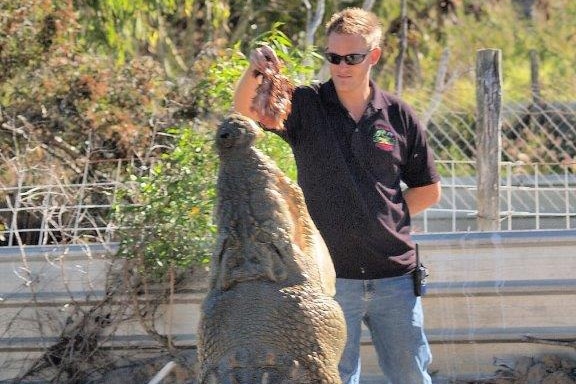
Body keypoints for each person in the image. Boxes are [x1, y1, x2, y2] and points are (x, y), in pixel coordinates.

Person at [233, 7, 441, 384]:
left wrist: (384, 215)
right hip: (329, 281)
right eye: (333, 57)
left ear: (373, 56)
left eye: (352, 58)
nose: (341, 66)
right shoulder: (305, 105)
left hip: (394, 277)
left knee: (412, 376)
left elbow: (428, 190)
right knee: (333, 378)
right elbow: (246, 110)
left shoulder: (398, 115)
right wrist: (256, 72)